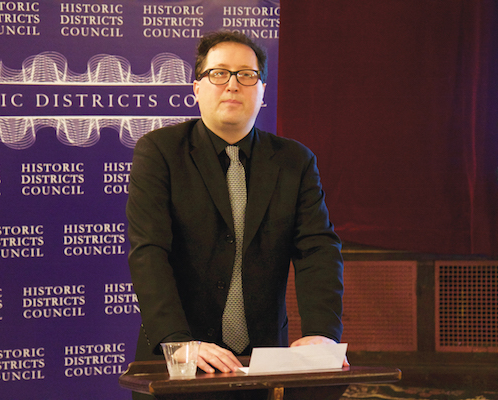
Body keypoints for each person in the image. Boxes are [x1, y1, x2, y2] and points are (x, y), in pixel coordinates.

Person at [126, 30, 346, 400]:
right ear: (196, 88)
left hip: (263, 361)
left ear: (262, 92)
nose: (232, 85)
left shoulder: (296, 161)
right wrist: (178, 343)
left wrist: (322, 334)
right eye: (219, 73)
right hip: (179, 361)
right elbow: (149, 252)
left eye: (246, 75)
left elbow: (318, 250)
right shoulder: (160, 152)